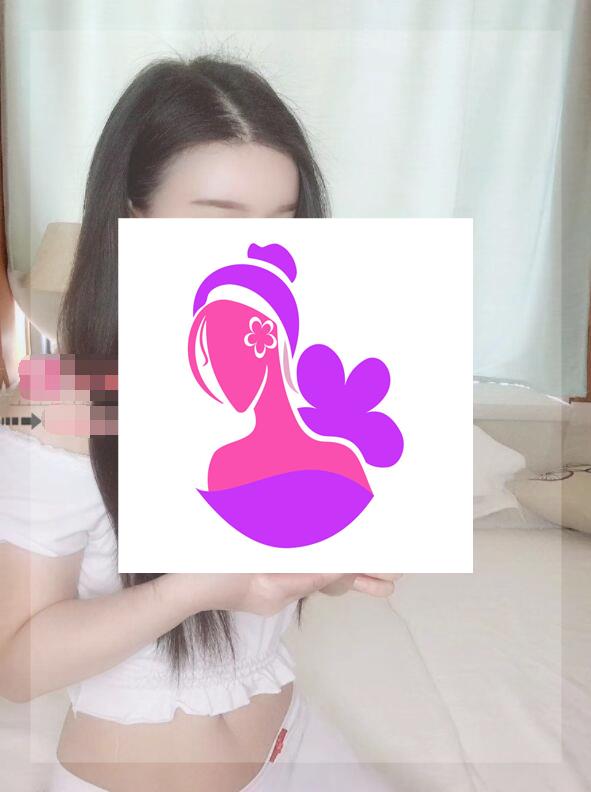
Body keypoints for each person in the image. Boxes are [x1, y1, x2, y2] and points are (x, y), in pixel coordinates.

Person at [0, 55, 397, 791]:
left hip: (294, 741)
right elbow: (16, 669)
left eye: (283, 224)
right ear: (134, 217)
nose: (257, 251)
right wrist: (192, 588)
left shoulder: (305, 376)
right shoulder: (65, 401)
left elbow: (275, 578)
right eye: (217, 221)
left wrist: (336, 567)